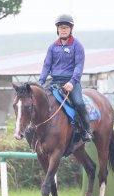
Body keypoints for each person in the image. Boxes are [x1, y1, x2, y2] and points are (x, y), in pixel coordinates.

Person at [38, 14, 93, 142]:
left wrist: (72, 82)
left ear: (71, 29)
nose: (63, 29)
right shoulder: (52, 47)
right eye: (61, 27)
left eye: (66, 27)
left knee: (79, 103)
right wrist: (41, 81)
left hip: (71, 82)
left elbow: (79, 66)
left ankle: (86, 130)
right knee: (41, 101)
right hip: (55, 81)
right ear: (57, 29)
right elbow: (47, 66)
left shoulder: (77, 46)